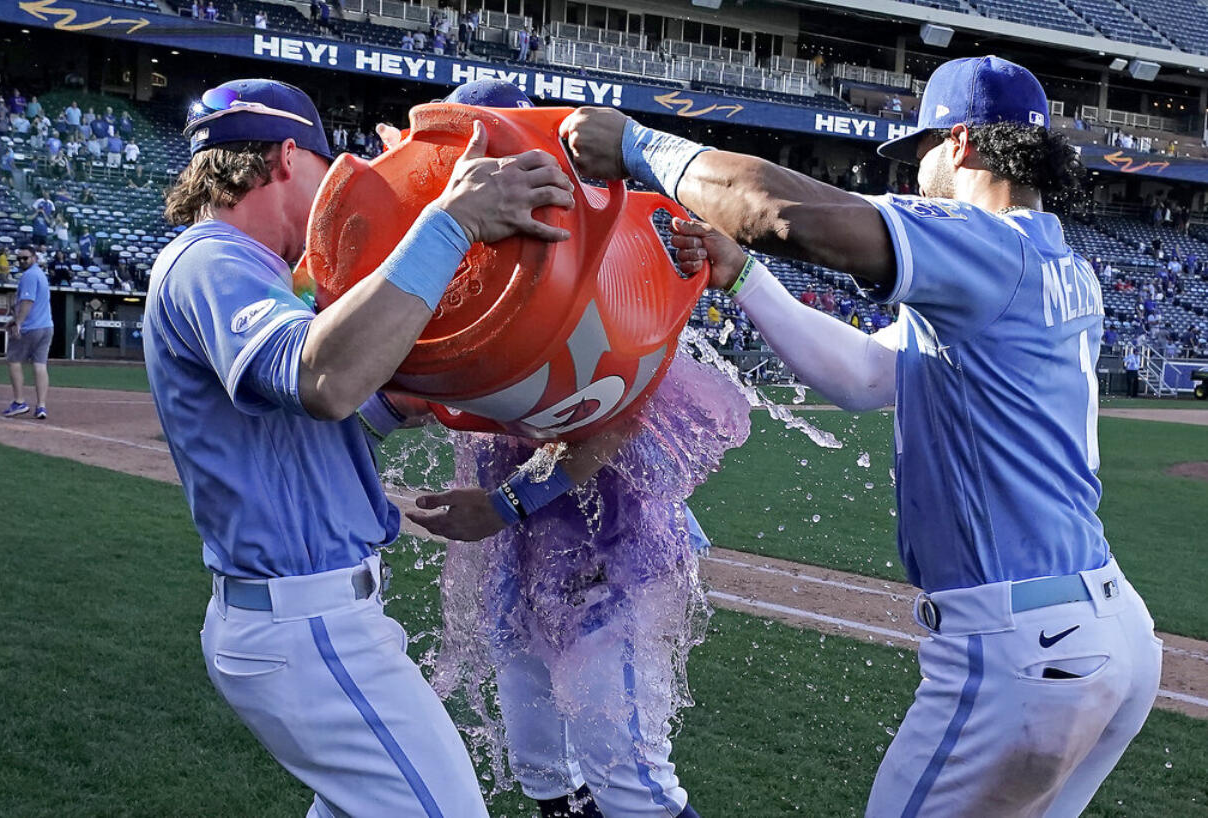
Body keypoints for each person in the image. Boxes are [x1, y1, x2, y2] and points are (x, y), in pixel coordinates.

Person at [560, 54, 1162, 816]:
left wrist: (643, 147)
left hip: (1020, 644)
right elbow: (869, 376)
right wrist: (745, 279)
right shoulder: (1054, 258)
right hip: (1108, 633)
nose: (914, 175)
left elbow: (779, 210)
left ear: (962, 143)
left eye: (919, 153)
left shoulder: (984, 239)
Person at [144, 78, 574, 817]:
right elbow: (324, 379)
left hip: (305, 615)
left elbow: (328, 419)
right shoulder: (211, 260)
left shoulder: (243, 267)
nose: (331, 196)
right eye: (324, 168)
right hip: (305, 623)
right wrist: (451, 222)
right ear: (287, 158)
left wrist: (430, 392)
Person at [407, 80, 747, 818]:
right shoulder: (462, 255)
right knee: (542, 771)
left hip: (607, 554)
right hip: (525, 547)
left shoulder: (604, 256)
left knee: (629, 777)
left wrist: (502, 505)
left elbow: (610, 421)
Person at [3, 246, 53, 419]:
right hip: (46, 326)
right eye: (20, 259)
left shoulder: (29, 275)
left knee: (13, 360)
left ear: (34, 257)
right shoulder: (40, 274)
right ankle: (41, 406)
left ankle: (19, 402)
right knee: (40, 365)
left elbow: (27, 301)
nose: (22, 261)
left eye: (26, 258)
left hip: (31, 327)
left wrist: (18, 322)